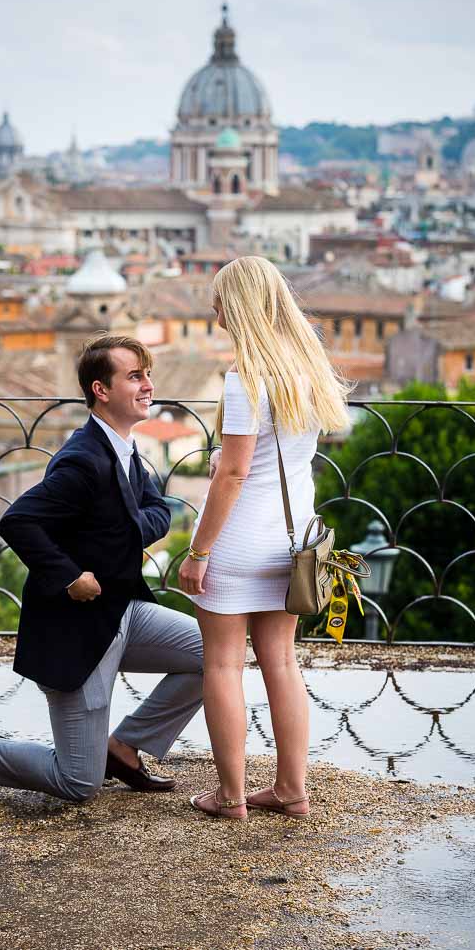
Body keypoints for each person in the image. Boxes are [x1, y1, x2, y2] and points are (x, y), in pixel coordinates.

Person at [0, 334, 204, 802]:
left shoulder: (126, 448)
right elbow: (19, 521)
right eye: (135, 376)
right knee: (78, 782)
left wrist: (125, 526)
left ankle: (124, 746)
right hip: (78, 629)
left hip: (122, 612)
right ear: (101, 389)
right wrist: (71, 576)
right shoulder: (83, 459)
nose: (148, 385)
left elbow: (161, 513)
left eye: (148, 374)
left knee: (214, 655)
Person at [178, 256, 350, 821]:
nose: (214, 308)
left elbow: (233, 474)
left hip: (240, 541)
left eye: (221, 298)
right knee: (281, 661)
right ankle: (291, 789)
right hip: (294, 540)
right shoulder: (307, 372)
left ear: (242, 306)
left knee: (223, 666)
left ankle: (230, 796)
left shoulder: (244, 379)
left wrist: (198, 551)